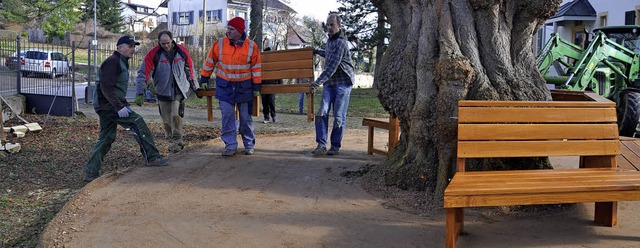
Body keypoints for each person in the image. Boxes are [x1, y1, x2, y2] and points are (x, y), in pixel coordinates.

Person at [84, 35, 169, 182]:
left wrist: (123, 104)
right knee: (137, 122)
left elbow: (116, 88)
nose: (133, 49)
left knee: (107, 137)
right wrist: (118, 107)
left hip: (108, 105)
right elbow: (106, 87)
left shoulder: (121, 62)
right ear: (119, 48)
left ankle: (91, 172)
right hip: (108, 106)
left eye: (134, 46)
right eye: (129, 46)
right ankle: (153, 157)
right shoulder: (113, 62)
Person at [200, 17, 261, 156]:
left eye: (231, 29)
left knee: (245, 118)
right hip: (225, 87)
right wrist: (204, 77)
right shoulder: (219, 44)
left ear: (240, 31)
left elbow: (256, 68)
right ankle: (230, 145)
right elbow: (210, 61)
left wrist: (256, 86)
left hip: (244, 88)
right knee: (227, 116)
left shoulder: (251, 46)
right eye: (228, 28)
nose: (228, 31)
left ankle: (249, 144)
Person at [135, 30, 198, 153]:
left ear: (172, 40)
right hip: (163, 91)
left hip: (179, 90)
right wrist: (140, 92)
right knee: (166, 120)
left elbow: (190, 68)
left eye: (168, 43)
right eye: (163, 43)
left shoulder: (181, 51)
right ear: (159, 42)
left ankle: (177, 144)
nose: (166, 46)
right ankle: (170, 142)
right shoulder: (153, 54)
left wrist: (195, 86)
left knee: (176, 116)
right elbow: (143, 73)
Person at [310, 12, 355, 156]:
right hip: (330, 82)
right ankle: (321, 144)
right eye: (328, 25)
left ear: (339, 25)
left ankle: (335, 145)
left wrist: (316, 83)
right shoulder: (330, 41)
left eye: (332, 25)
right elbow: (329, 54)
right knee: (321, 111)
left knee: (338, 115)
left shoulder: (341, 42)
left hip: (343, 83)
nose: (329, 28)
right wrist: (317, 51)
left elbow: (331, 67)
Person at [260, 47, 282, 123]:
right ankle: (266, 117)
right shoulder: (262, 63)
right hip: (264, 85)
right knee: (265, 102)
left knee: (271, 101)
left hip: (272, 84)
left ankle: (273, 115)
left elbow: (278, 75)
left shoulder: (274, 64)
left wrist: (279, 84)